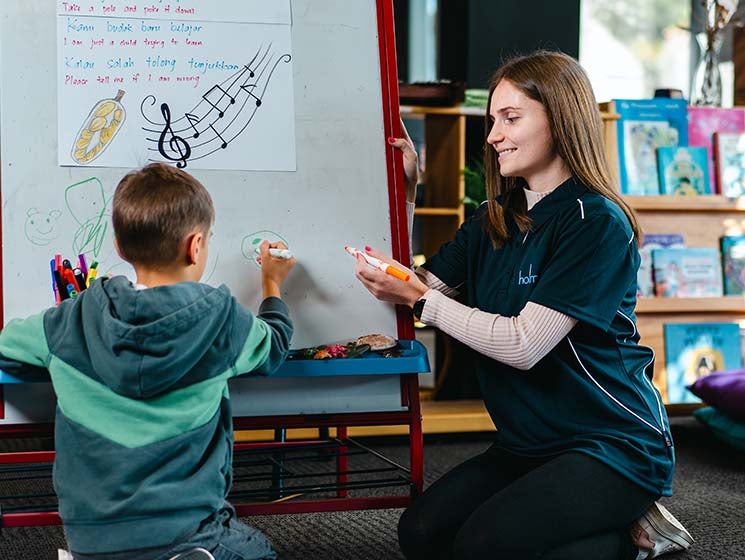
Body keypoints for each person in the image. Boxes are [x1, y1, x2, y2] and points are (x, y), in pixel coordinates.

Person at [356, 51, 693, 560]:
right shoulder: (495, 216)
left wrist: (424, 300)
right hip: (527, 445)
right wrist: (406, 193)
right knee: (421, 534)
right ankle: (606, 524)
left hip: (612, 445)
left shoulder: (595, 222)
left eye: (511, 118)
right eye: (493, 120)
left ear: (560, 121)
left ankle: (634, 537)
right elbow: (409, 288)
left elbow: (524, 344)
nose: (492, 135)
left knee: (482, 549)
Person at [0, 163, 295, 560]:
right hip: (189, 529)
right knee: (259, 551)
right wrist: (272, 284)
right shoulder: (221, 319)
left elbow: (7, 349)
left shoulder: (68, 321)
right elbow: (274, 344)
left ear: (120, 248)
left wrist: (60, 360)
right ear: (195, 246)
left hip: (92, 541)